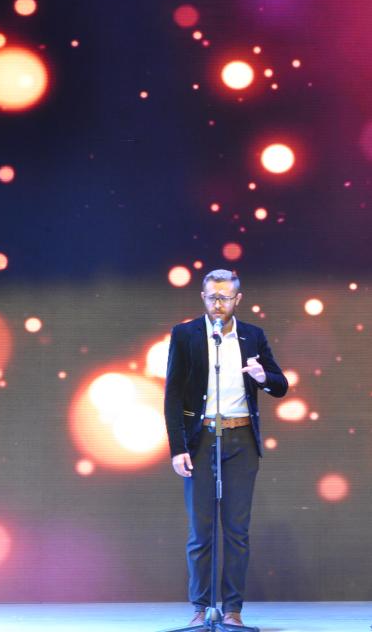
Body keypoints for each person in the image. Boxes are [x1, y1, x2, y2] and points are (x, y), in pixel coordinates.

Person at [164, 269, 288, 628]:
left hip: (241, 439)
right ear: (203, 297)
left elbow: (280, 385)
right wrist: (177, 447)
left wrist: (264, 378)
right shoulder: (185, 334)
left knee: (237, 530)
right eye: (212, 297)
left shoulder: (253, 336)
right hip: (202, 439)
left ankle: (233, 610)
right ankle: (201, 609)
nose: (218, 304)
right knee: (201, 531)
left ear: (238, 299)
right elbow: (173, 395)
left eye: (225, 297)